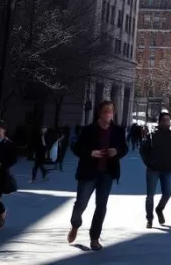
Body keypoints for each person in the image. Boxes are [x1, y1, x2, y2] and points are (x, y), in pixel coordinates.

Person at [67, 101, 128, 251]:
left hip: (107, 173)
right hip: (88, 172)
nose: (109, 113)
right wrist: (90, 153)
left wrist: (117, 152)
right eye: (106, 111)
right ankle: (75, 224)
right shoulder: (89, 130)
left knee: (101, 206)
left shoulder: (117, 130)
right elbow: (76, 148)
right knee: (81, 203)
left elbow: (124, 148)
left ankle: (94, 238)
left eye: (111, 111)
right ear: (100, 113)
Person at [141, 112, 171, 228]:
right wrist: (148, 162)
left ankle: (159, 209)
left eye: (168, 120)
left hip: (167, 170)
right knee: (150, 196)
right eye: (163, 120)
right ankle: (149, 219)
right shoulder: (152, 136)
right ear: (159, 122)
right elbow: (143, 150)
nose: (166, 122)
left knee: (168, 193)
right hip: (152, 170)